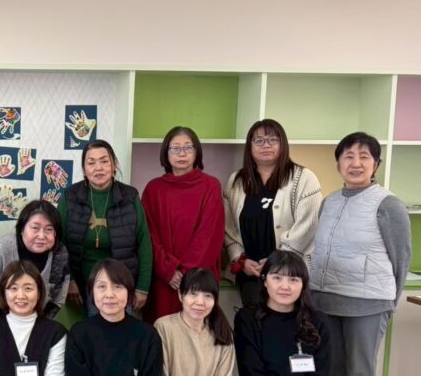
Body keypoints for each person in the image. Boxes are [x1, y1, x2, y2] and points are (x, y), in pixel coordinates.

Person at [309, 132, 411, 376]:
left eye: (364, 157)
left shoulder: (388, 205)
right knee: (335, 374)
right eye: (348, 156)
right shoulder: (329, 202)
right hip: (327, 301)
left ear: (375, 164)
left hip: (367, 305)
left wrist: (388, 302)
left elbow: (401, 259)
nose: (356, 163)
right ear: (338, 163)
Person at [224, 119, 321, 311]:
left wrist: (276, 262)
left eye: (272, 139)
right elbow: (228, 227)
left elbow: (308, 225)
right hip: (251, 275)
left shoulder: (303, 178)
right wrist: (240, 260)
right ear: (250, 146)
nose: (265, 145)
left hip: (289, 274)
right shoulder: (237, 180)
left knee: (288, 325)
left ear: (282, 143)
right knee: (254, 324)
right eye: (258, 140)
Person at [58, 140, 152, 317]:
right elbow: (59, 244)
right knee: (90, 331)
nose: (98, 168)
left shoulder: (130, 197)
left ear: (114, 165)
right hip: (81, 285)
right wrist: (69, 281)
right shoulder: (70, 196)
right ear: (84, 169)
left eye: (104, 161)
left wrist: (142, 288)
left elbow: (144, 244)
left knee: (119, 330)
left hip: (121, 283)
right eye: (91, 163)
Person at [142, 127, 224, 323]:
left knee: (198, 331)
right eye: (175, 148)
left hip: (198, 280)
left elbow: (209, 236)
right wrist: (168, 270)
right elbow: (147, 235)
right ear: (166, 152)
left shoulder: (211, 186)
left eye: (188, 147)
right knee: (162, 331)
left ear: (197, 152)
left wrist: (187, 275)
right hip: (164, 279)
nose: (182, 153)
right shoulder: (154, 189)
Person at [0, 200, 69, 320]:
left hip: (38, 322)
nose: (41, 236)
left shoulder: (59, 254)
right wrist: (9, 327)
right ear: (21, 229)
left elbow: (56, 301)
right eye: (35, 228)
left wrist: (40, 326)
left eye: (49, 229)